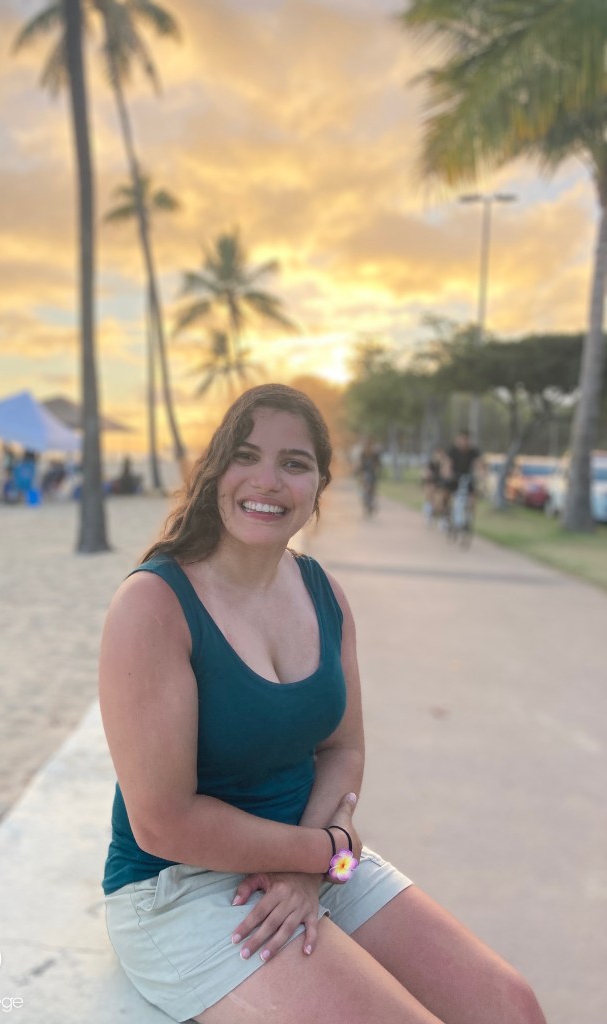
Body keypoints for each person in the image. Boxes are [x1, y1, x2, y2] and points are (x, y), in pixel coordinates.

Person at [98, 384, 545, 1024]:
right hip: (178, 887)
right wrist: (323, 853)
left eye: (295, 463)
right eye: (245, 455)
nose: (268, 480)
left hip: (311, 853)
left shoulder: (322, 592)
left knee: (512, 1008)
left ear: (319, 486)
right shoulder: (153, 606)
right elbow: (163, 823)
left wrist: (314, 868)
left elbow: (343, 747)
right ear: (214, 471)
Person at [444, 429, 484, 525]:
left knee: (473, 496)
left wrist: (480, 473)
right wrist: (448, 473)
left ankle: (469, 518)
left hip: (468, 478)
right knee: (446, 494)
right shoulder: (453, 451)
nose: (464, 442)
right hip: (455, 477)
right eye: (462, 439)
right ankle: (446, 514)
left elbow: (479, 464)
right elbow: (447, 464)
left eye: (466, 439)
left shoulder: (473, 452)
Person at [355, 437, 381, 516]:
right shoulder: (363, 453)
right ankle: (366, 504)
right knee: (365, 489)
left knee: (372, 490)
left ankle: (372, 504)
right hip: (365, 474)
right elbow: (360, 465)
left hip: (372, 474)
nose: (368, 447)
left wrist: (375, 467)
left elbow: (379, 464)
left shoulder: (375, 454)